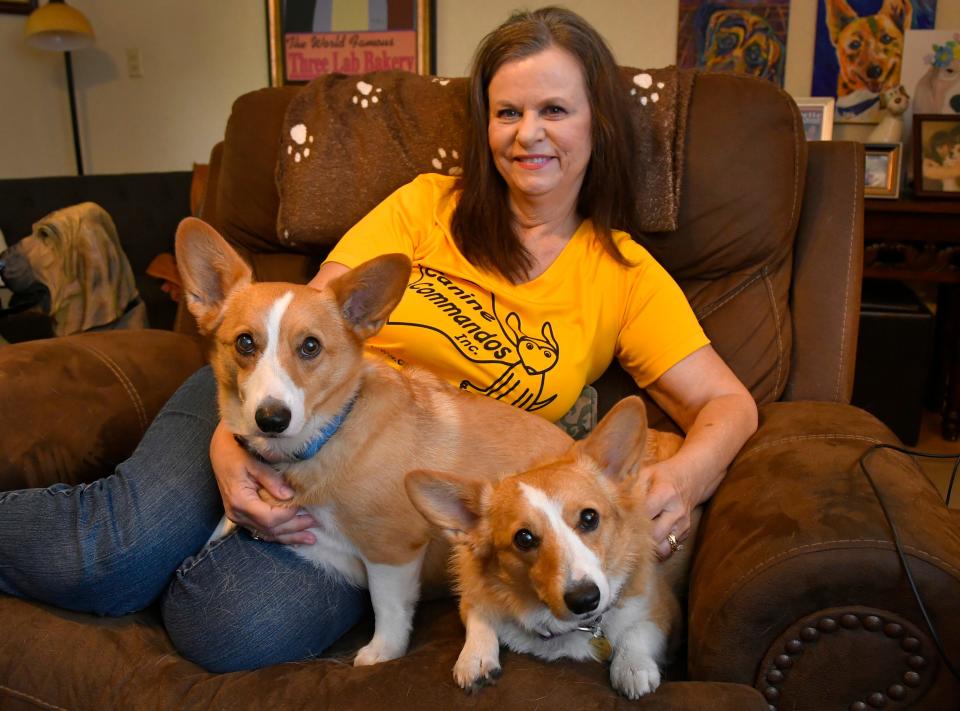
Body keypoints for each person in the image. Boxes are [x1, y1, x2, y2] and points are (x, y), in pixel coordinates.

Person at [0, 7, 757, 673]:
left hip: (364, 499)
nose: (529, 134)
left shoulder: (623, 273)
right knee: (109, 554)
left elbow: (729, 402)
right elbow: (299, 323)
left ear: (597, 121)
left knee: (228, 624)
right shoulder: (424, 207)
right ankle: (158, 538)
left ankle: (184, 550)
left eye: (555, 109)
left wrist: (682, 479)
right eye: (507, 112)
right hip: (257, 401)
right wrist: (227, 452)